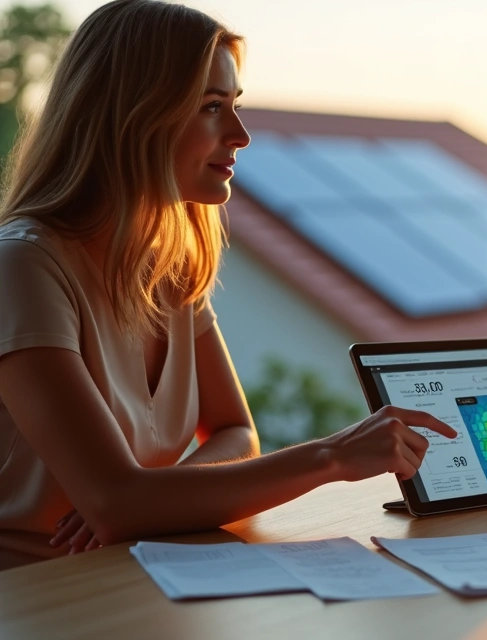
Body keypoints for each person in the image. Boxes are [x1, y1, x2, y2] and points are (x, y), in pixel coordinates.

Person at [0, 0, 455, 571]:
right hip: (35, 597)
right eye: (212, 107)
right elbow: (116, 504)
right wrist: (334, 455)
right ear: (133, 116)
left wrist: (154, 500)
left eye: (234, 105)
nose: (240, 135)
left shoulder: (170, 269)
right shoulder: (24, 266)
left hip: (137, 573)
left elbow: (237, 432)